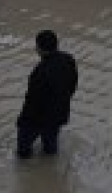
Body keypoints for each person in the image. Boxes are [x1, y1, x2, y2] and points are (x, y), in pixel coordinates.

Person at [17, 29, 78, 158]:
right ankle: (51, 169)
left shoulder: (39, 72)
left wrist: (23, 121)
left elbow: (32, 101)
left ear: (40, 49)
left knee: (23, 151)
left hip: (38, 118)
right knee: (50, 148)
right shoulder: (68, 59)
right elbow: (73, 85)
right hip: (59, 114)